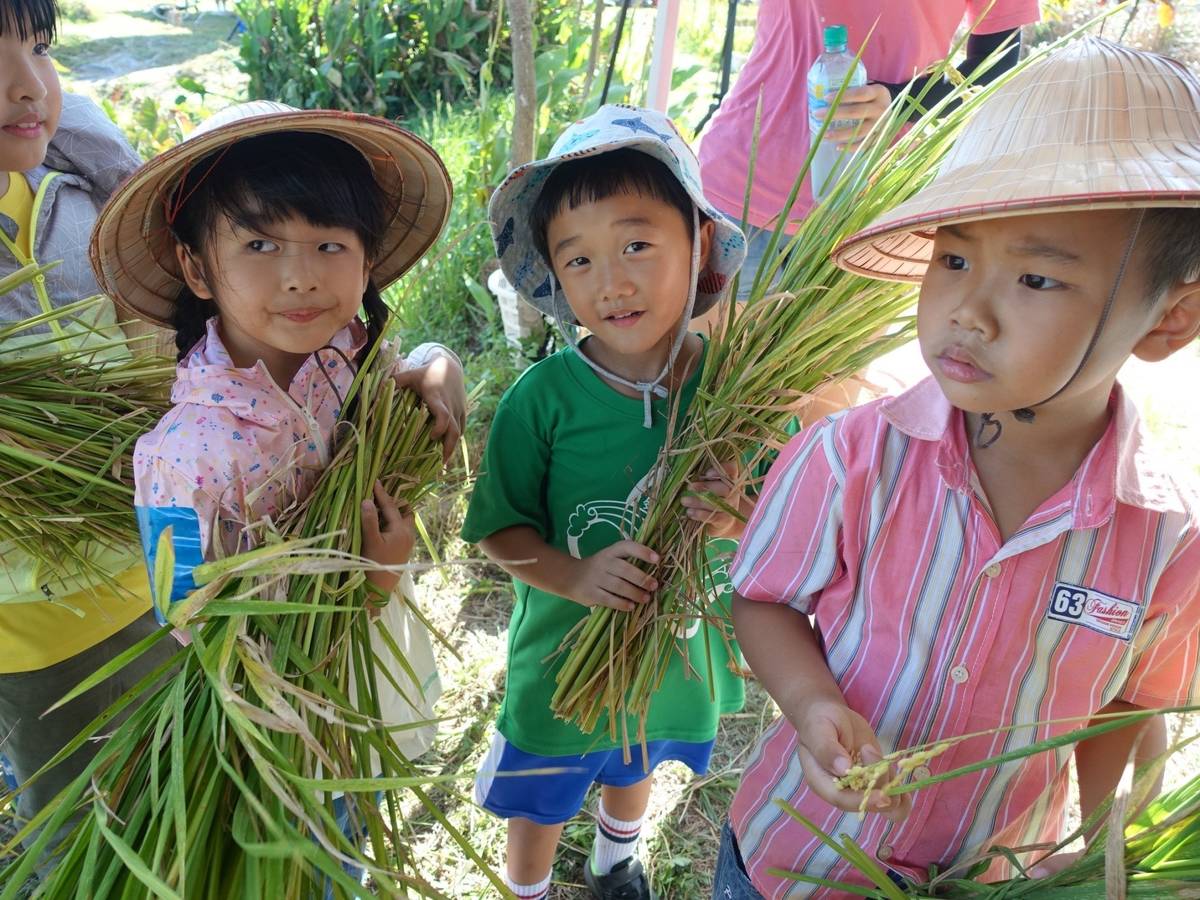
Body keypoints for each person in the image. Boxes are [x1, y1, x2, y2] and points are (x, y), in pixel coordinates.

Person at [713, 38, 1200, 899]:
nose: (968, 311)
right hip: (799, 864)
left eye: (1039, 279)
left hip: (994, 877)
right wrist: (814, 703)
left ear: (1169, 320)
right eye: (955, 259)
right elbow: (759, 598)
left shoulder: (1167, 541)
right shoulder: (850, 457)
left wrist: (1102, 853)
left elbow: (1133, 705)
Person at [88, 100, 466, 885]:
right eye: (259, 243)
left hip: (354, 698)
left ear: (366, 261)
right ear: (197, 268)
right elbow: (192, 618)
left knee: (350, 838)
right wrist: (370, 583)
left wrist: (436, 368)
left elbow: (397, 364)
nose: (300, 275)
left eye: (330, 243)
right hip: (276, 734)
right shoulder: (185, 457)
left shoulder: (337, 351)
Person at [463, 104, 750, 900]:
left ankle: (616, 862)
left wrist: (736, 515)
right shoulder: (542, 400)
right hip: (565, 659)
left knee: (638, 758)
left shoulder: (735, 392)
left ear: (698, 243)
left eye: (635, 244)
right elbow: (496, 528)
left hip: (675, 659)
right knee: (546, 792)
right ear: (554, 275)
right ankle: (530, 889)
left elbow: (776, 509)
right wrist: (574, 577)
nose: (612, 282)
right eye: (578, 259)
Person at [0, 0, 176, 870]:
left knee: (180, 808)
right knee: (81, 847)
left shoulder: (82, 187)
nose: (27, 84)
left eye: (39, 46)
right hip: (30, 628)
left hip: (158, 578)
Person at [697, 0, 1040, 301]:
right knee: (699, 371)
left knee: (834, 377)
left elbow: (996, 65)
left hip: (871, 205)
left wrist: (902, 100)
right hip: (741, 186)